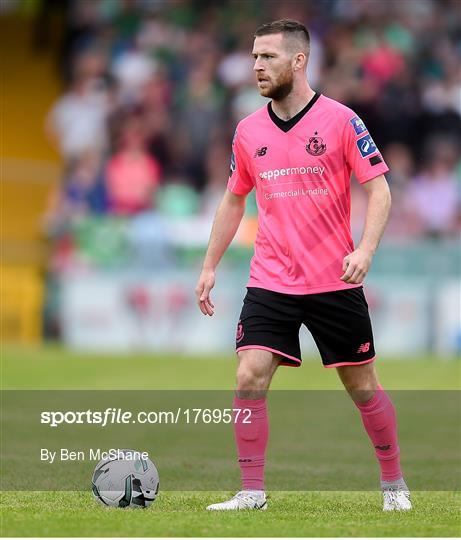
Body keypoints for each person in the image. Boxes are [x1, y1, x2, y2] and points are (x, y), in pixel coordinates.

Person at [195, 20, 412, 513]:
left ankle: (394, 483)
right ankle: (252, 493)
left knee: (362, 386)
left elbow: (378, 188)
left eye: (267, 57)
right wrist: (210, 265)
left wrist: (365, 250)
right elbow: (234, 201)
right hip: (270, 277)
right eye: (253, 57)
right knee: (249, 375)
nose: (256, 67)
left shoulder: (341, 120)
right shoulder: (248, 131)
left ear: (298, 61)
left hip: (332, 278)